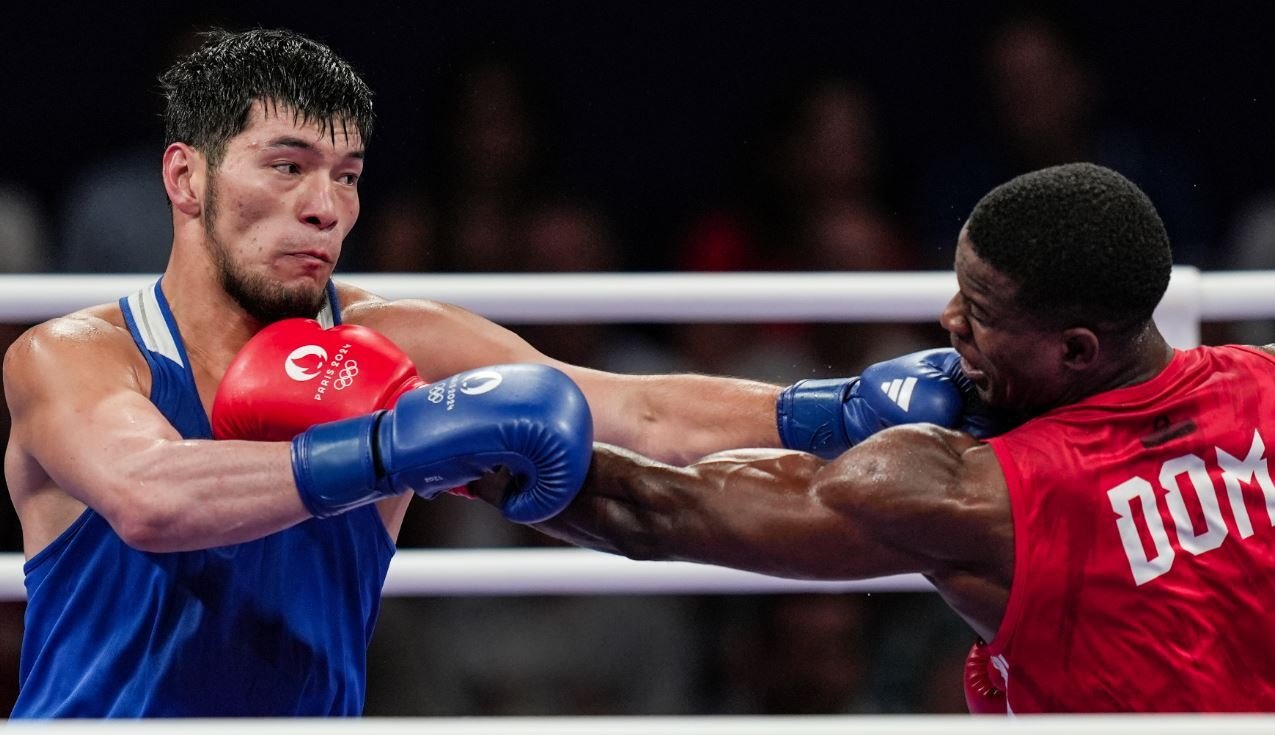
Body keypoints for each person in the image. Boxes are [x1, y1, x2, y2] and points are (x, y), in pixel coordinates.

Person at [1, 29, 982, 717]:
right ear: (186, 177)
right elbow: (151, 496)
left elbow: (642, 412)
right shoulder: (75, 355)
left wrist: (830, 409)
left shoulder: (395, 340)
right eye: (287, 166)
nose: (324, 207)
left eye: (347, 175)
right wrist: (389, 448)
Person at [524, 162, 1275, 712]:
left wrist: (491, 459)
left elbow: (659, 511)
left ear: (1075, 350)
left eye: (980, 311)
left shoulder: (984, 496)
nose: (949, 319)